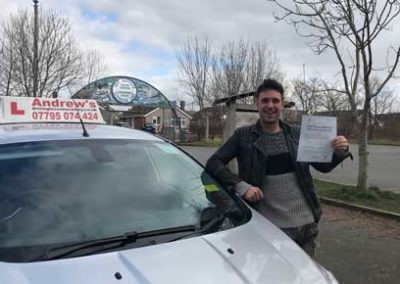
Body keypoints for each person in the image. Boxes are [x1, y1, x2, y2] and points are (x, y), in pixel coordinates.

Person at [205, 78, 351, 257]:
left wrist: (340, 152)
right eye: (265, 100)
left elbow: (323, 167)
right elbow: (214, 163)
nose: (270, 105)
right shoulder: (243, 137)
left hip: (308, 225)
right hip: (272, 229)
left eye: (275, 100)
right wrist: (242, 187)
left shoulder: (297, 134)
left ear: (283, 104)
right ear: (256, 104)